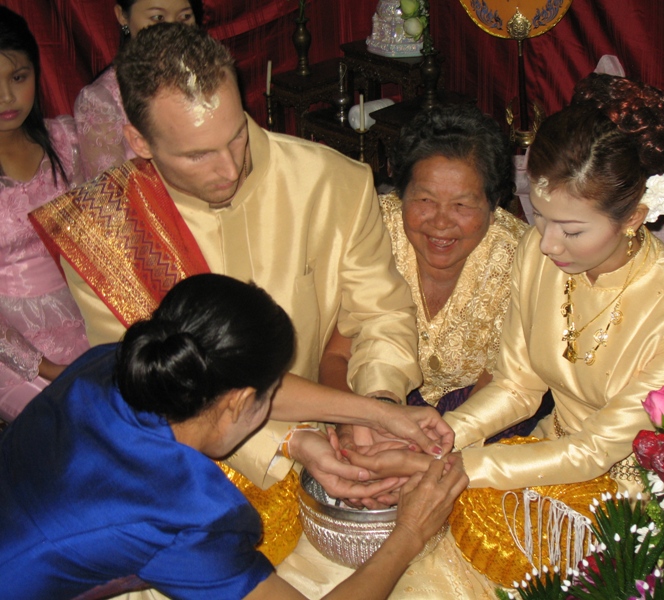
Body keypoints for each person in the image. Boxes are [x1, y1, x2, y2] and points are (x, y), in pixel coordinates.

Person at [339, 74, 664, 594]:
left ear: (634, 217)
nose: (545, 245)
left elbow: (596, 448)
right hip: (538, 456)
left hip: (630, 502)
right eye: (539, 217)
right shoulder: (539, 253)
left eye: (571, 230)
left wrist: (447, 467)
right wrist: (438, 438)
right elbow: (518, 386)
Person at [31, 23, 421, 497]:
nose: (230, 169)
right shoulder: (105, 230)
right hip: (188, 475)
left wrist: (376, 403)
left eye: (237, 137)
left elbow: (380, 313)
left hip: (341, 426)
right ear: (139, 141)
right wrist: (290, 443)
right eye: (198, 155)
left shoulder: (333, 183)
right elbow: (151, 394)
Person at [0, 273, 466, 600]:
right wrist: (409, 532)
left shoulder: (114, 365)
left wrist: (377, 414)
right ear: (241, 401)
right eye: (267, 389)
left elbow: (246, 385)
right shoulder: (180, 517)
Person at [321, 104, 544, 441]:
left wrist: (438, 444)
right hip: (363, 402)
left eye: (462, 205)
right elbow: (336, 355)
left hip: (478, 415)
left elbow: (501, 386)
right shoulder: (373, 230)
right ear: (400, 192)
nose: (440, 223)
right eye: (424, 200)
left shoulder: (524, 259)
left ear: (493, 202)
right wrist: (353, 423)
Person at [0, 6, 88, 422]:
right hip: (9, 345)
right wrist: (45, 367)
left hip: (85, 312)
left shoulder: (67, 139)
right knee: (74, 423)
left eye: (18, 77)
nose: (6, 97)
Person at [73, 0, 203, 180]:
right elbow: (111, 196)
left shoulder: (210, 77)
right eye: (158, 17)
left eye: (185, 17)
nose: (173, 29)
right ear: (122, 15)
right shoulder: (101, 100)